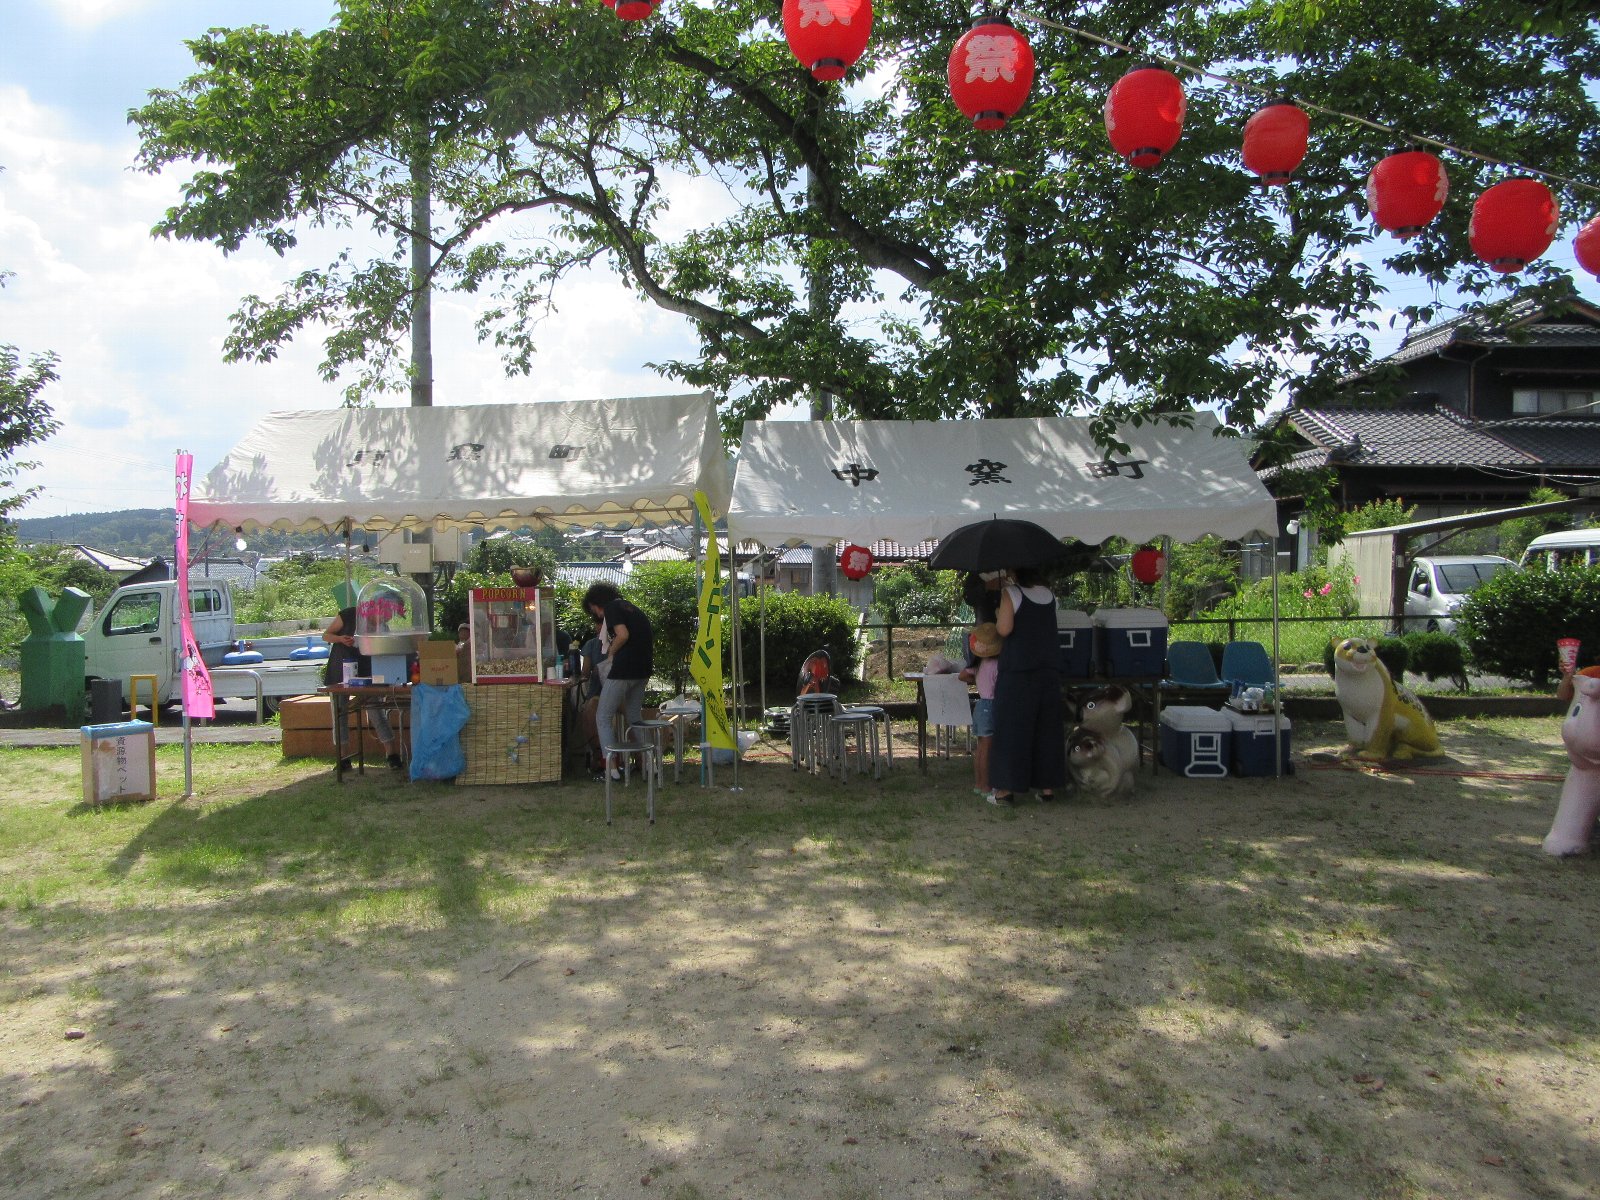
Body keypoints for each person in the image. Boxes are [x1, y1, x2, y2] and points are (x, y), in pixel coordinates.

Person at [989, 565, 1067, 804]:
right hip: (1048, 671)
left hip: (1018, 672)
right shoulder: (1049, 595)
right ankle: (1047, 789)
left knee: (1011, 730)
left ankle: (1005, 790)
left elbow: (1004, 629)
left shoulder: (1011, 593)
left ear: (1016, 571)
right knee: (1047, 730)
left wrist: (999, 609)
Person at [583, 581, 654, 781]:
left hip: (624, 670)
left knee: (603, 716)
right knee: (634, 716)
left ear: (597, 603)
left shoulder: (612, 608)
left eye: (593, 609)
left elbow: (623, 635)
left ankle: (611, 769)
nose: (596, 615)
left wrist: (611, 654)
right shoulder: (629, 607)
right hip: (643, 669)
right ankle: (650, 764)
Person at [323, 605, 403, 772]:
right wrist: (340, 639)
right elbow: (326, 635)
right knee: (339, 713)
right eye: (386, 614)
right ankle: (343, 758)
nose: (387, 619)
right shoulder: (349, 614)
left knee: (376, 711)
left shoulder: (384, 628)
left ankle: (392, 754)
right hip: (341, 669)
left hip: (367, 673)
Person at [963, 622, 1003, 801]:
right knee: (988, 748)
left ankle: (979, 783)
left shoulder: (979, 664)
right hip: (991, 705)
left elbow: (962, 675)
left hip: (980, 705)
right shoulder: (997, 665)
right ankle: (987, 785)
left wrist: (977, 680)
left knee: (980, 748)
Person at [577, 612, 610, 774]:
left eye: (601, 624)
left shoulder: (616, 643)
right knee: (588, 710)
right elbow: (585, 673)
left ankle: (637, 758)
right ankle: (598, 754)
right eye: (597, 624)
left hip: (614, 692)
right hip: (597, 692)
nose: (598, 627)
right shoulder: (591, 645)